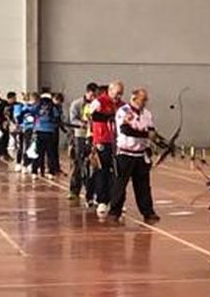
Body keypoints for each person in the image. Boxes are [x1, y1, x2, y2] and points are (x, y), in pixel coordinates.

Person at [108, 87, 159, 223]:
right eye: (143, 99)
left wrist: (157, 141)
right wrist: (146, 135)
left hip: (140, 154)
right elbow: (126, 130)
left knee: (143, 185)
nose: (145, 102)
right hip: (125, 153)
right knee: (120, 184)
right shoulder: (124, 111)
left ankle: (148, 212)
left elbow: (151, 130)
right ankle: (114, 211)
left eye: (146, 99)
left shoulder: (146, 113)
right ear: (134, 98)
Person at [90, 81, 122, 215]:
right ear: (110, 90)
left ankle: (116, 200)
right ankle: (102, 200)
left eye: (121, 93)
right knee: (103, 171)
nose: (119, 96)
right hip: (102, 140)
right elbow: (92, 116)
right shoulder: (99, 102)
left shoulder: (122, 105)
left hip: (117, 142)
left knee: (117, 172)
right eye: (117, 93)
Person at [68, 82, 97, 200]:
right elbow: (72, 119)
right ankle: (74, 190)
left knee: (93, 164)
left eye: (96, 95)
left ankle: (92, 191)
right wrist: (83, 124)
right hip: (79, 136)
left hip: (93, 137)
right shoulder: (77, 104)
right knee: (77, 163)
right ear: (87, 92)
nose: (93, 97)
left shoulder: (97, 105)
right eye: (92, 95)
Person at [32, 91, 61, 176]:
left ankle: (35, 171)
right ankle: (51, 172)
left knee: (38, 152)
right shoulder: (53, 107)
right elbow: (57, 118)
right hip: (50, 132)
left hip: (39, 131)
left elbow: (32, 114)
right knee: (50, 153)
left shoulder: (37, 107)